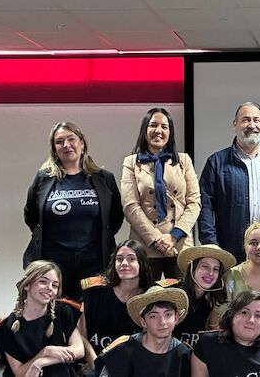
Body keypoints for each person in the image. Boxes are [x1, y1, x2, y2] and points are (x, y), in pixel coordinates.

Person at [24, 121, 123, 300]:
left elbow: (115, 217)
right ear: (54, 149)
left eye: (71, 139)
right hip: (53, 263)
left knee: (91, 311)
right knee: (55, 312)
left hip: (94, 262)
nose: (66, 145)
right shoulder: (43, 178)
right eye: (59, 141)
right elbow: (31, 216)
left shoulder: (104, 178)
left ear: (82, 143)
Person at [198, 101, 260, 262]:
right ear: (235, 124)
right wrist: (211, 245)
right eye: (245, 120)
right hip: (230, 252)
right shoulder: (216, 162)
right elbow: (205, 207)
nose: (251, 125)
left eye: (256, 120)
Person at [121, 107, 201, 279]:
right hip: (145, 244)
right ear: (145, 130)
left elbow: (194, 203)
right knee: (146, 295)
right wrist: (157, 239)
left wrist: (173, 236)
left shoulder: (184, 160)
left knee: (182, 294)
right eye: (153, 125)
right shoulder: (131, 162)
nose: (158, 130)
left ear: (170, 133)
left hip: (179, 244)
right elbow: (130, 206)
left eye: (164, 127)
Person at [0, 260, 84, 377]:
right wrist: (45, 352)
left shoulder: (63, 311)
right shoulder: (7, 326)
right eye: (43, 282)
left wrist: (41, 362)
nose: (50, 288)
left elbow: (79, 350)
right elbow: (20, 373)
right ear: (27, 284)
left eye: (54, 285)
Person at [77, 239, 154, 371]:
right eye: (119, 259)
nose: (124, 263)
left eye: (131, 259)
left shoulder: (149, 299)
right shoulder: (94, 291)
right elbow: (80, 334)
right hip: (92, 365)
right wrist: (96, 364)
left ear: (142, 264)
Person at [93, 285, 192, 376]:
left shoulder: (185, 355)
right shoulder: (122, 350)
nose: (162, 322)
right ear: (143, 322)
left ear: (176, 318)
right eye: (153, 316)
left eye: (168, 314)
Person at [172, 244, 236, 346]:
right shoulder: (173, 292)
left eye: (216, 269)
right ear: (193, 268)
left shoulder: (211, 301)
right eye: (205, 266)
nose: (211, 273)